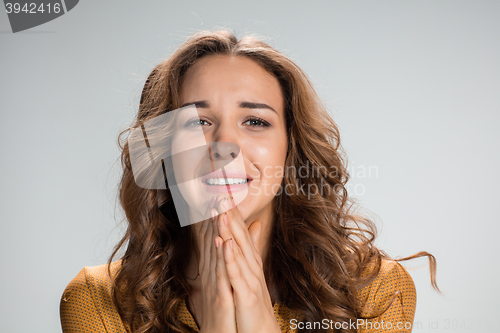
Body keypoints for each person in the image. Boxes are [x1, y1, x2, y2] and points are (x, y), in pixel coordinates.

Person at [60, 29, 438, 333]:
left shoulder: (375, 290)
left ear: (291, 150)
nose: (224, 145)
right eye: (197, 122)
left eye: (255, 122)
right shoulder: (97, 301)